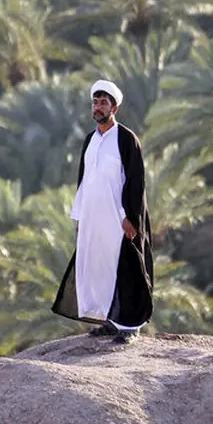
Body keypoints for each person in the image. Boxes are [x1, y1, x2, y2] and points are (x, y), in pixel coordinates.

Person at [51, 79, 154, 344]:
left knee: (126, 268)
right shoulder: (90, 140)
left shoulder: (126, 139)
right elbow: (84, 180)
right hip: (93, 218)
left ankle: (130, 327)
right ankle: (109, 320)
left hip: (119, 219)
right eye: (95, 102)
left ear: (114, 107)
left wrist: (132, 219)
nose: (98, 107)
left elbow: (135, 181)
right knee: (98, 268)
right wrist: (80, 216)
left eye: (103, 103)